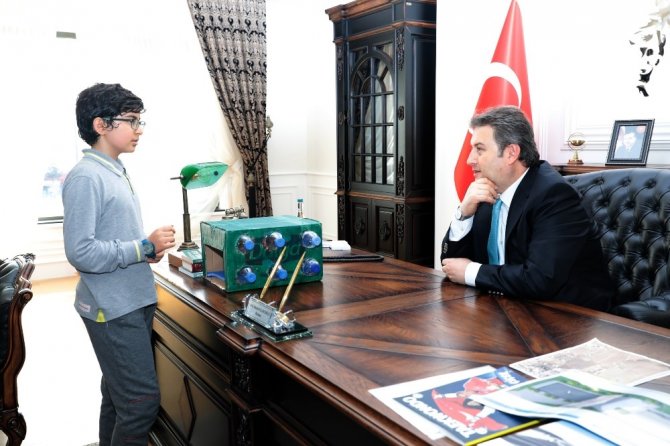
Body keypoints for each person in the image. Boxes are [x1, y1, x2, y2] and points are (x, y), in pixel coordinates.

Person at [62, 83, 176, 445]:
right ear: (101, 125)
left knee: (117, 395)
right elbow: (81, 252)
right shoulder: (86, 177)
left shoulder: (113, 169)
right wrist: (141, 247)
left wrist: (146, 251)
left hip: (129, 299)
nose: (139, 129)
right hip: (112, 308)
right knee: (141, 404)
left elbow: (113, 237)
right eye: (131, 120)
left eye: (140, 121)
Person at [440, 106, 613, 312]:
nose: (470, 159)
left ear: (511, 153)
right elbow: (451, 264)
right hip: (505, 308)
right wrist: (464, 213)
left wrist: (471, 271)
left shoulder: (554, 195)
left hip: (567, 315)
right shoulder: (486, 191)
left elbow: (539, 279)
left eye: (479, 149)